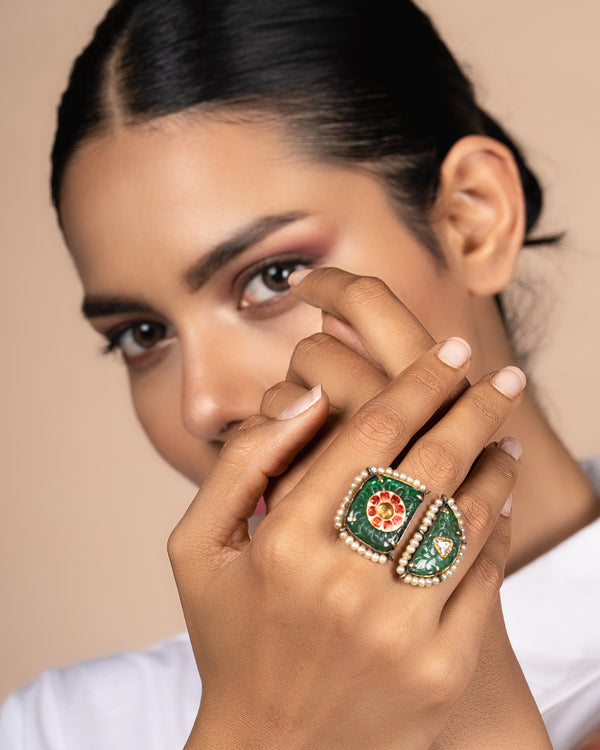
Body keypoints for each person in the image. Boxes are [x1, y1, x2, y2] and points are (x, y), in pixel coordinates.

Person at [1, 0, 599, 747]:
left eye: (272, 276)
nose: (203, 404)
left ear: (473, 220)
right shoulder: (61, 729)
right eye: (142, 334)